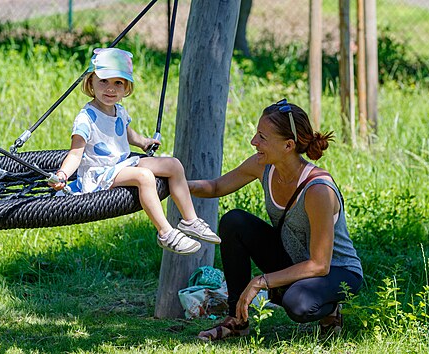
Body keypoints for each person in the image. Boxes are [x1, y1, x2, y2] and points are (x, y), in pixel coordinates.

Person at [189, 99, 363, 341]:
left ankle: (330, 308)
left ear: (288, 145)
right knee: (234, 221)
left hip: (335, 270)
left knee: (297, 303)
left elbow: (320, 264)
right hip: (296, 259)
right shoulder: (263, 166)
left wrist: (262, 281)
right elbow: (216, 186)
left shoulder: (318, 189)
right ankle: (237, 320)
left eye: (262, 137)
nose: (253, 142)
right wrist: (172, 185)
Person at [49, 48, 220, 255]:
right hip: (99, 174)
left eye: (118, 83)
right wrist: (62, 174)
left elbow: (127, 134)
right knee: (144, 176)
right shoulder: (86, 118)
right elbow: (76, 153)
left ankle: (190, 220)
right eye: (104, 81)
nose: (110, 89)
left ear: (126, 87)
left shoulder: (119, 110)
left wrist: (143, 143)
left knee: (173, 164)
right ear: (90, 82)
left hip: (121, 164)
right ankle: (166, 233)